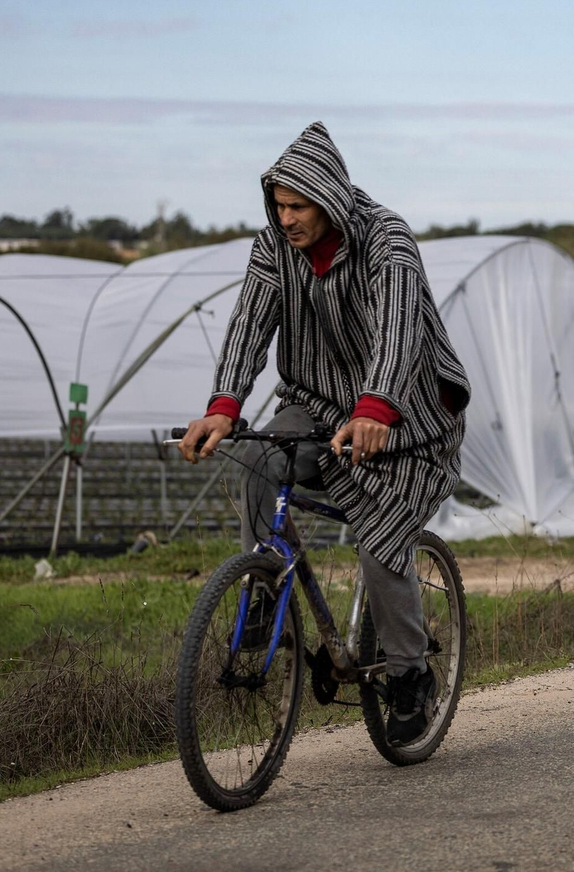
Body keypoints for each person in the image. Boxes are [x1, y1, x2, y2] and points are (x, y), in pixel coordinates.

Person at [178, 121, 471, 745]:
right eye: (278, 206)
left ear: (330, 200)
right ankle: (264, 595)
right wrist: (224, 407)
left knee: (377, 537)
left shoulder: (386, 242)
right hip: (315, 403)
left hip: (407, 419)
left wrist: (374, 408)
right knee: (259, 464)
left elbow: (399, 331)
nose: (285, 218)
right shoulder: (273, 249)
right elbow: (249, 324)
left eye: (298, 206)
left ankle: (411, 674)